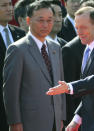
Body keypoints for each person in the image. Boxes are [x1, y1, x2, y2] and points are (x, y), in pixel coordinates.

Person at [3, 1, 66, 131]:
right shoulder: (17, 49)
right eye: (40, 20)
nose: (45, 25)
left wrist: (61, 116)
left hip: (55, 121)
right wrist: (15, 122)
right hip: (29, 121)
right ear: (28, 20)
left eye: (49, 20)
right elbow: (11, 91)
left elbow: (60, 85)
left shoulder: (56, 47)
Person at [64, 7, 94, 131]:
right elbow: (90, 90)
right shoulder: (89, 49)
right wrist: (76, 119)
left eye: (83, 28)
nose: (79, 32)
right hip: (90, 121)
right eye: (77, 28)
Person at [0, 0, 25, 130]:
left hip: (20, 103)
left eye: (10, 4)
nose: (9, 8)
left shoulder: (20, 33)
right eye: (4, 5)